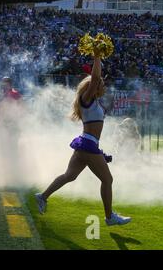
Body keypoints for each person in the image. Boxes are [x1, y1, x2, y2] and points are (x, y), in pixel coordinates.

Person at [35, 56, 131, 226]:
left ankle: (42, 197)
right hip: (88, 145)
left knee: (69, 176)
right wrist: (97, 57)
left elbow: (96, 82)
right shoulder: (87, 99)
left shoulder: (93, 101)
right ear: (93, 87)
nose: (103, 86)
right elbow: (94, 79)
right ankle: (109, 217)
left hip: (86, 144)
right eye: (101, 84)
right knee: (107, 180)